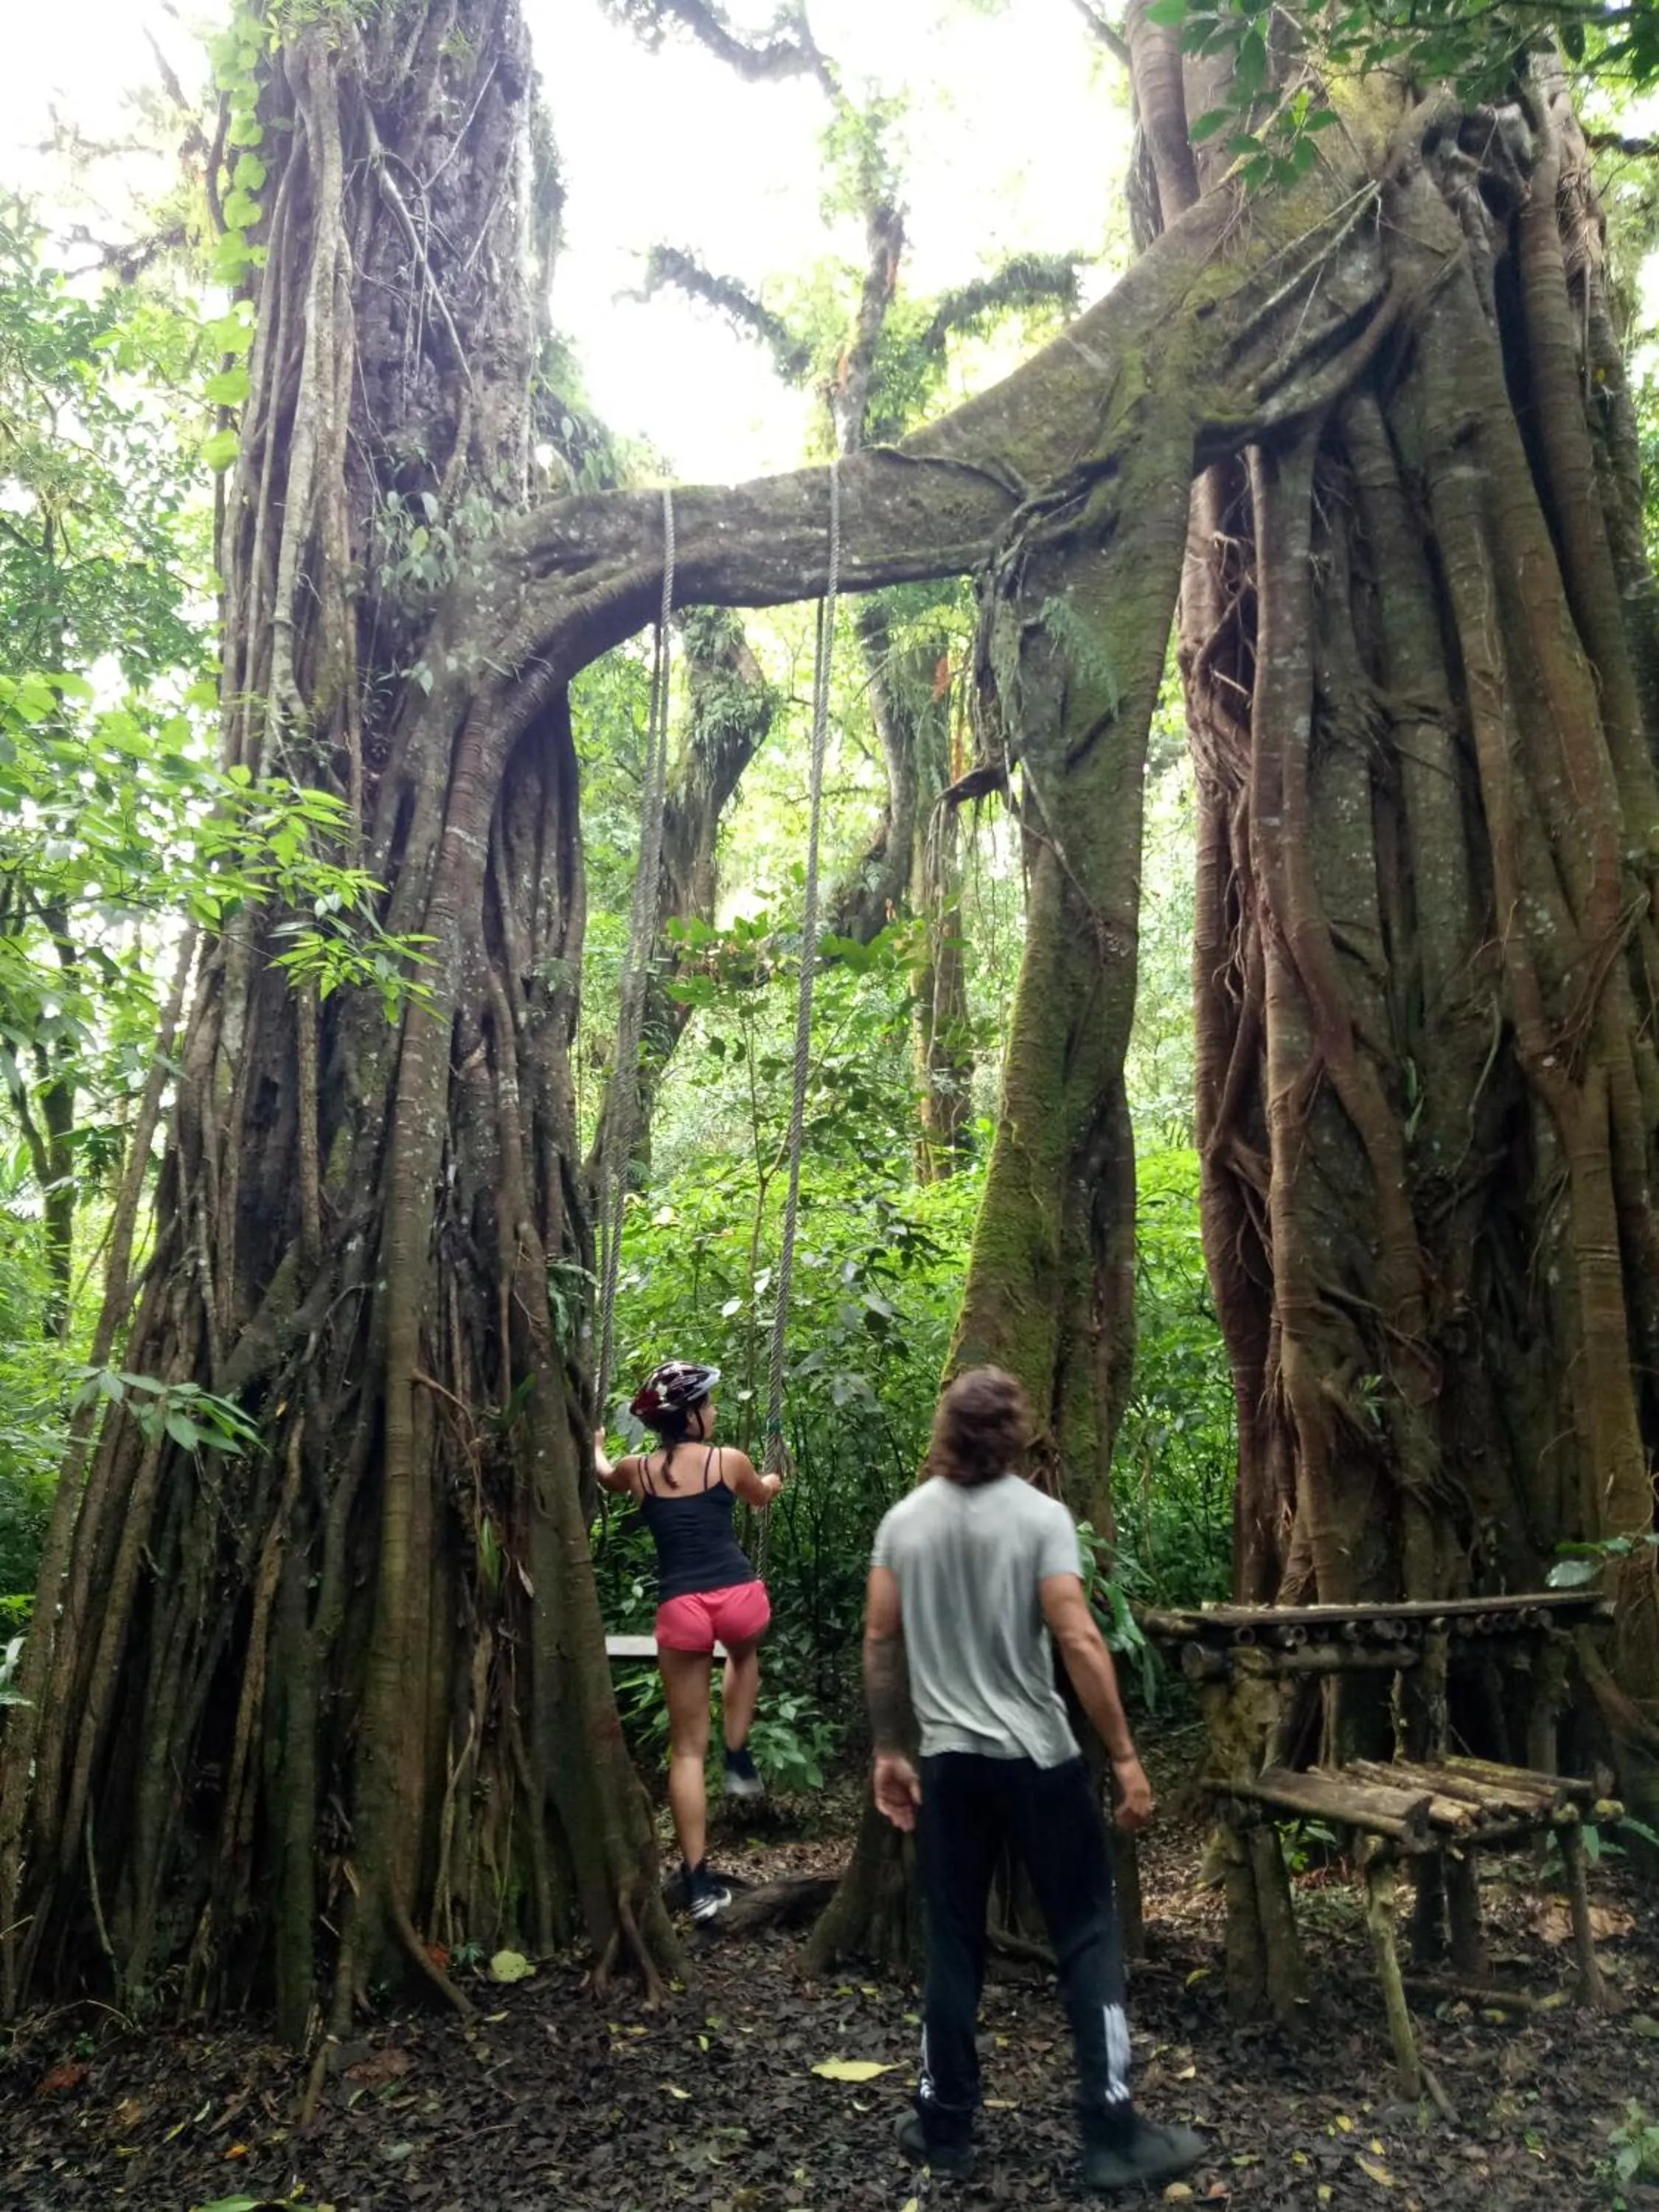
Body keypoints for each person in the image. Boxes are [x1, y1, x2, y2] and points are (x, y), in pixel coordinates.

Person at [863, 1366, 1207, 2194]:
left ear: (945, 1431)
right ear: (1017, 1437)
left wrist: (891, 1750)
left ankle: (945, 2125)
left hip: (950, 1765)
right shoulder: (1041, 1518)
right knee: (1087, 1931)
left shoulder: (904, 1524)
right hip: (1040, 1763)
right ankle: (1112, 2128)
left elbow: (880, 1639)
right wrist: (1125, 1755)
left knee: (952, 1939)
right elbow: (1079, 1638)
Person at [595, 1360, 782, 1922]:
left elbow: (604, 1475)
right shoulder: (730, 1461)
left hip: (681, 1610)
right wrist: (772, 1479)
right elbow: (761, 1496)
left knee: (685, 1750)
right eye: (709, 1404)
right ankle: (739, 1749)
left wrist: (596, 1445)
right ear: (694, 1416)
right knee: (745, 1652)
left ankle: (699, 1884)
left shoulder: (640, 1471)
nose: (716, 1411)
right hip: (738, 1598)